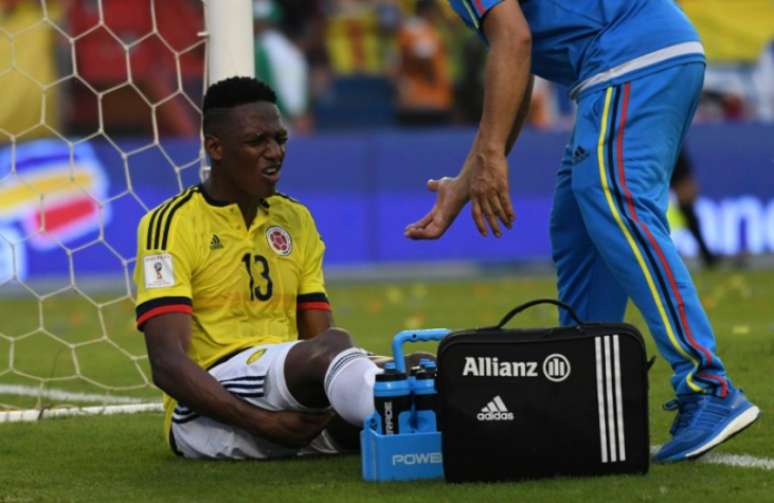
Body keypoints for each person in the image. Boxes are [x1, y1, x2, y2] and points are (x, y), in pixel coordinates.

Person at [405, 0, 759, 462]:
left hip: (630, 55)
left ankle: (707, 384)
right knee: (578, 227)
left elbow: (514, 40)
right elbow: (516, 57)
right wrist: (470, 177)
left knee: (615, 203)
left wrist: (490, 157)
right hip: (634, 56)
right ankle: (586, 399)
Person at [133, 77, 382, 459]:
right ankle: (394, 415)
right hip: (204, 414)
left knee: (414, 370)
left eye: (280, 140)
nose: (274, 152)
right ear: (215, 147)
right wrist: (262, 422)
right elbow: (167, 364)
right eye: (257, 142)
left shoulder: (295, 219)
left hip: (288, 398)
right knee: (343, 360)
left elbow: (320, 338)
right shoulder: (170, 224)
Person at [670, 150, 718, 268]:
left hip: (668, 150)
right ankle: (706, 254)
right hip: (654, 149)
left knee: (687, 206)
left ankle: (706, 254)